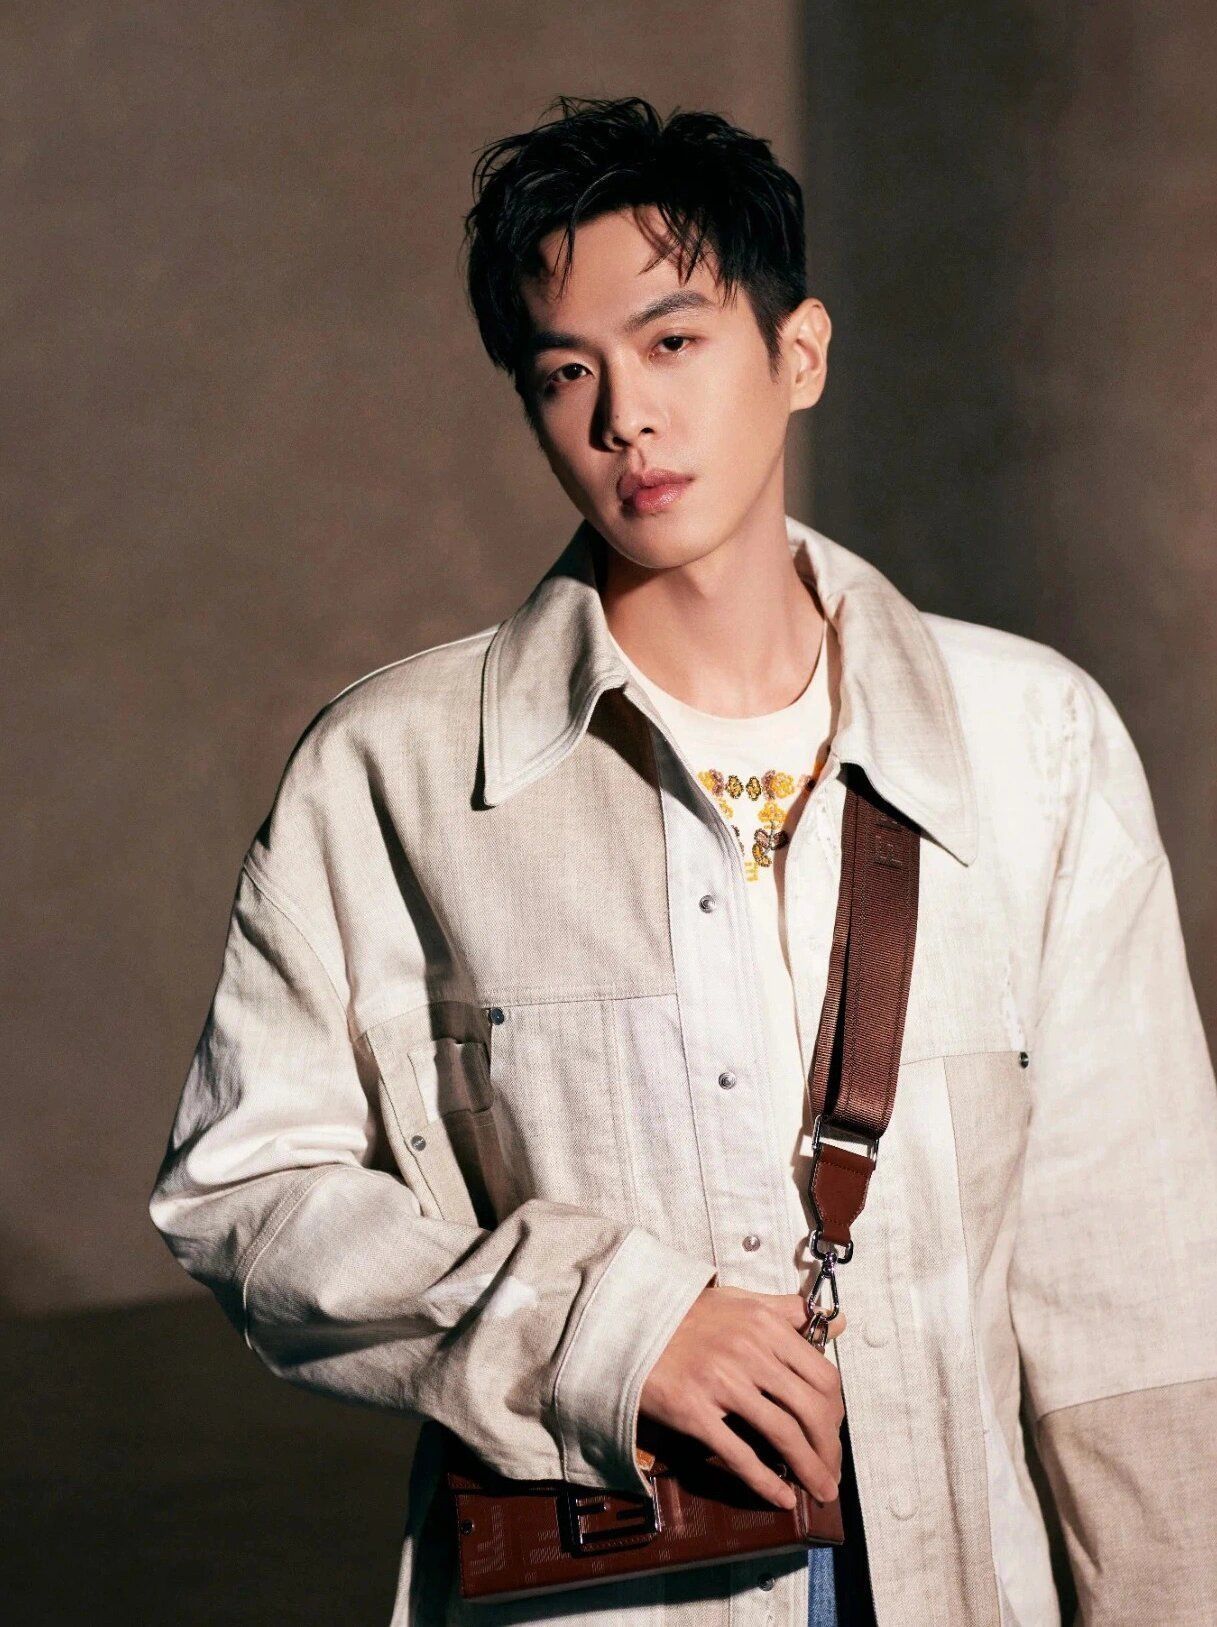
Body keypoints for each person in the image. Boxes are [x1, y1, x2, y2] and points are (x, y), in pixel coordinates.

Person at [149, 95, 1217, 1627]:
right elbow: (244, 1191)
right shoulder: (395, 773)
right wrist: (607, 1327)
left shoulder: (1031, 740)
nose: (623, 418)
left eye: (670, 343)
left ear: (797, 354)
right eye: (563, 372)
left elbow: (1136, 1298)